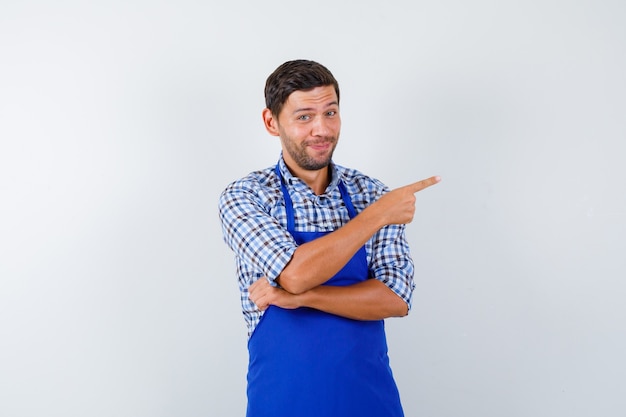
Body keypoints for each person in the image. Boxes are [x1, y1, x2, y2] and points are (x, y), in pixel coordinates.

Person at [218, 59, 440, 417]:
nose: (322, 129)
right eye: (304, 116)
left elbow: (395, 298)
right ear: (271, 122)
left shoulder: (369, 191)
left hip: (369, 401)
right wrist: (378, 215)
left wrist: (301, 298)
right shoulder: (247, 196)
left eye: (331, 112)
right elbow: (294, 273)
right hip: (283, 404)